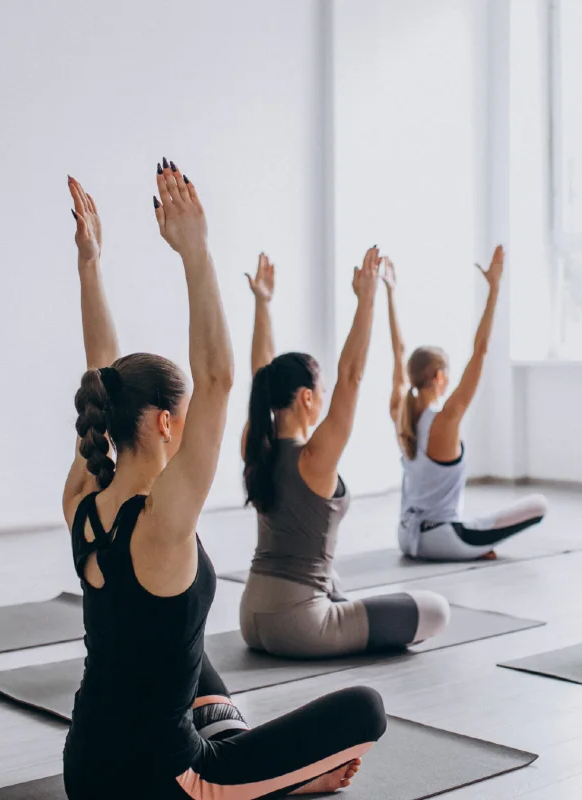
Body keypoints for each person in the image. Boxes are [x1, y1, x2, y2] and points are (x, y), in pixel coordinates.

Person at [61, 163, 386, 800]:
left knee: (185, 644)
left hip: (86, 768)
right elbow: (216, 379)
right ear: (162, 423)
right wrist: (196, 250)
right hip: (164, 784)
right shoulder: (163, 522)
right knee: (366, 709)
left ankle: (260, 768)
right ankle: (278, 783)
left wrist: (90, 263)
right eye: (183, 418)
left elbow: (98, 371)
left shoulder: (83, 498)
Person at [239, 251, 449, 659]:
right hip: (300, 627)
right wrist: (365, 299)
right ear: (305, 397)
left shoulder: (256, 446)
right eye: (319, 392)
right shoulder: (313, 457)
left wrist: (263, 303)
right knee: (435, 610)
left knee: (333, 579)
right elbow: (351, 376)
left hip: (251, 617)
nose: (323, 399)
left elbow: (260, 374)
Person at [385, 247, 548, 561]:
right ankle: (471, 545)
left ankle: (472, 542)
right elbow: (481, 350)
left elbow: (398, 351)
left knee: (475, 522)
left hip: (406, 536)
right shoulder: (446, 419)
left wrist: (391, 293)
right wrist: (494, 289)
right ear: (440, 376)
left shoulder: (400, 414)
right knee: (539, 505)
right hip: (441, 540)